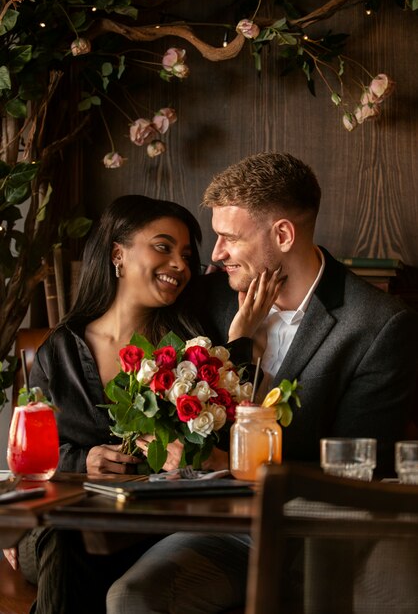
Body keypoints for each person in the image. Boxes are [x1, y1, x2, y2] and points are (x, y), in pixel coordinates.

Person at [106, 153, 418, 613]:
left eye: (230, 237)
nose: (215, 253)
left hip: (324, 533)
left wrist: (234, 462)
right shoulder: (206, 300)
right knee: (132, 597)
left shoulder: (378, 325)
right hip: (224, 534)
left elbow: (356, 466)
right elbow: (118, 335)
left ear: (283, 234)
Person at [3, 193, 280, 614]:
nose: (180, 265)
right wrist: (85, 460)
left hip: (154, 530)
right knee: (67, 537)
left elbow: (232, 441)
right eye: (163, 247)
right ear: (118, 253)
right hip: (65, 526)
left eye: (187, 255)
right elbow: (28, 458)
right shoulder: (58, 350)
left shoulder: (192, 348)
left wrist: (239, 338)